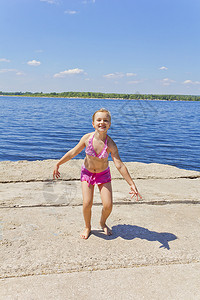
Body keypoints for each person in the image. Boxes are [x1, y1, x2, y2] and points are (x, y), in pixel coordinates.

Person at [53, 108, 142, 239]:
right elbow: (73, 152)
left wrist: (131, 184)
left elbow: (119, 164)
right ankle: (87, 227)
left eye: (105, 120)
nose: (102, 122)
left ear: (110, 124)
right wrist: (58, 163)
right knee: (87, 203)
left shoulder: (111, 144)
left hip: (103, 175)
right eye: (99, 120)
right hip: (87, 174)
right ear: (93, 124)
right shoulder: (87, 139)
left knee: (108, 205)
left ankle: (102, 222)